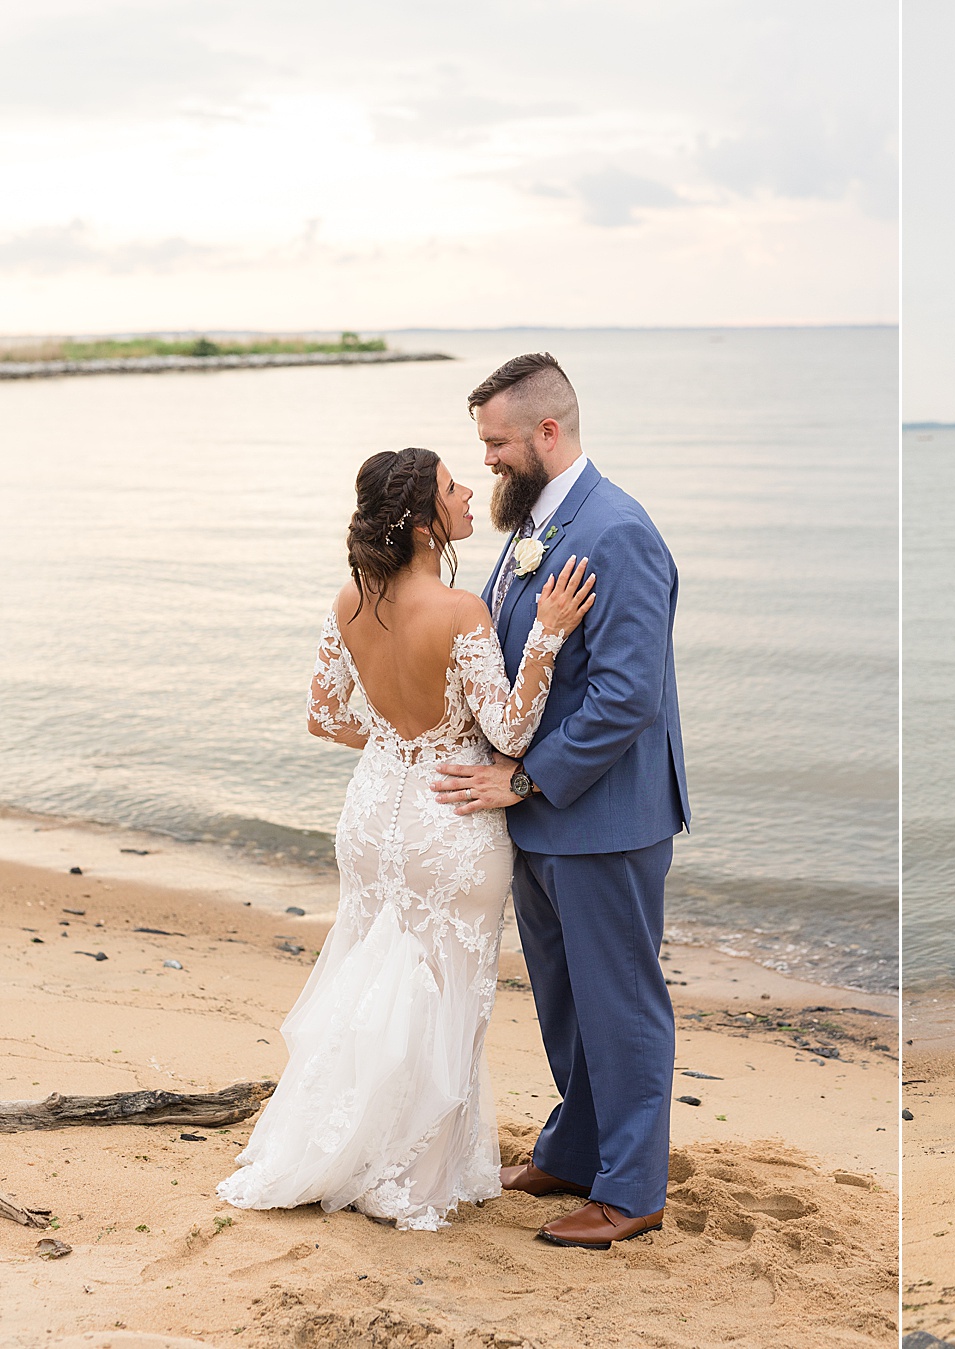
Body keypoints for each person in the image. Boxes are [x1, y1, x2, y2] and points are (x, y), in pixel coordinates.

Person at [217, 447, 594, 1229]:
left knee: (372, 977)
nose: (468, 495)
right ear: (426, 526)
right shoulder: (461, 612)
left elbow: (325, 715)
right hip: (448, 821)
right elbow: (512, 729)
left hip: (373, 814)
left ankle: (342, 1145)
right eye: (454, 489)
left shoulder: (350, 599)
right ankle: (409, 1173)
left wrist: (399, 746)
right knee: (443, 991)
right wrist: (549, 635)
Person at [431, 353, 691, 1250]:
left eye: (498, 442)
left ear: (548, 432)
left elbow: (628, 695)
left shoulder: (616, 530)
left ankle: (631, 1189)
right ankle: (577, 1150)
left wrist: (527, 776)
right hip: (539, 818)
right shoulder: (532, 524)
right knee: (565, 1000)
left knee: (620, 1003)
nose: (489, 459)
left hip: (604, 817)